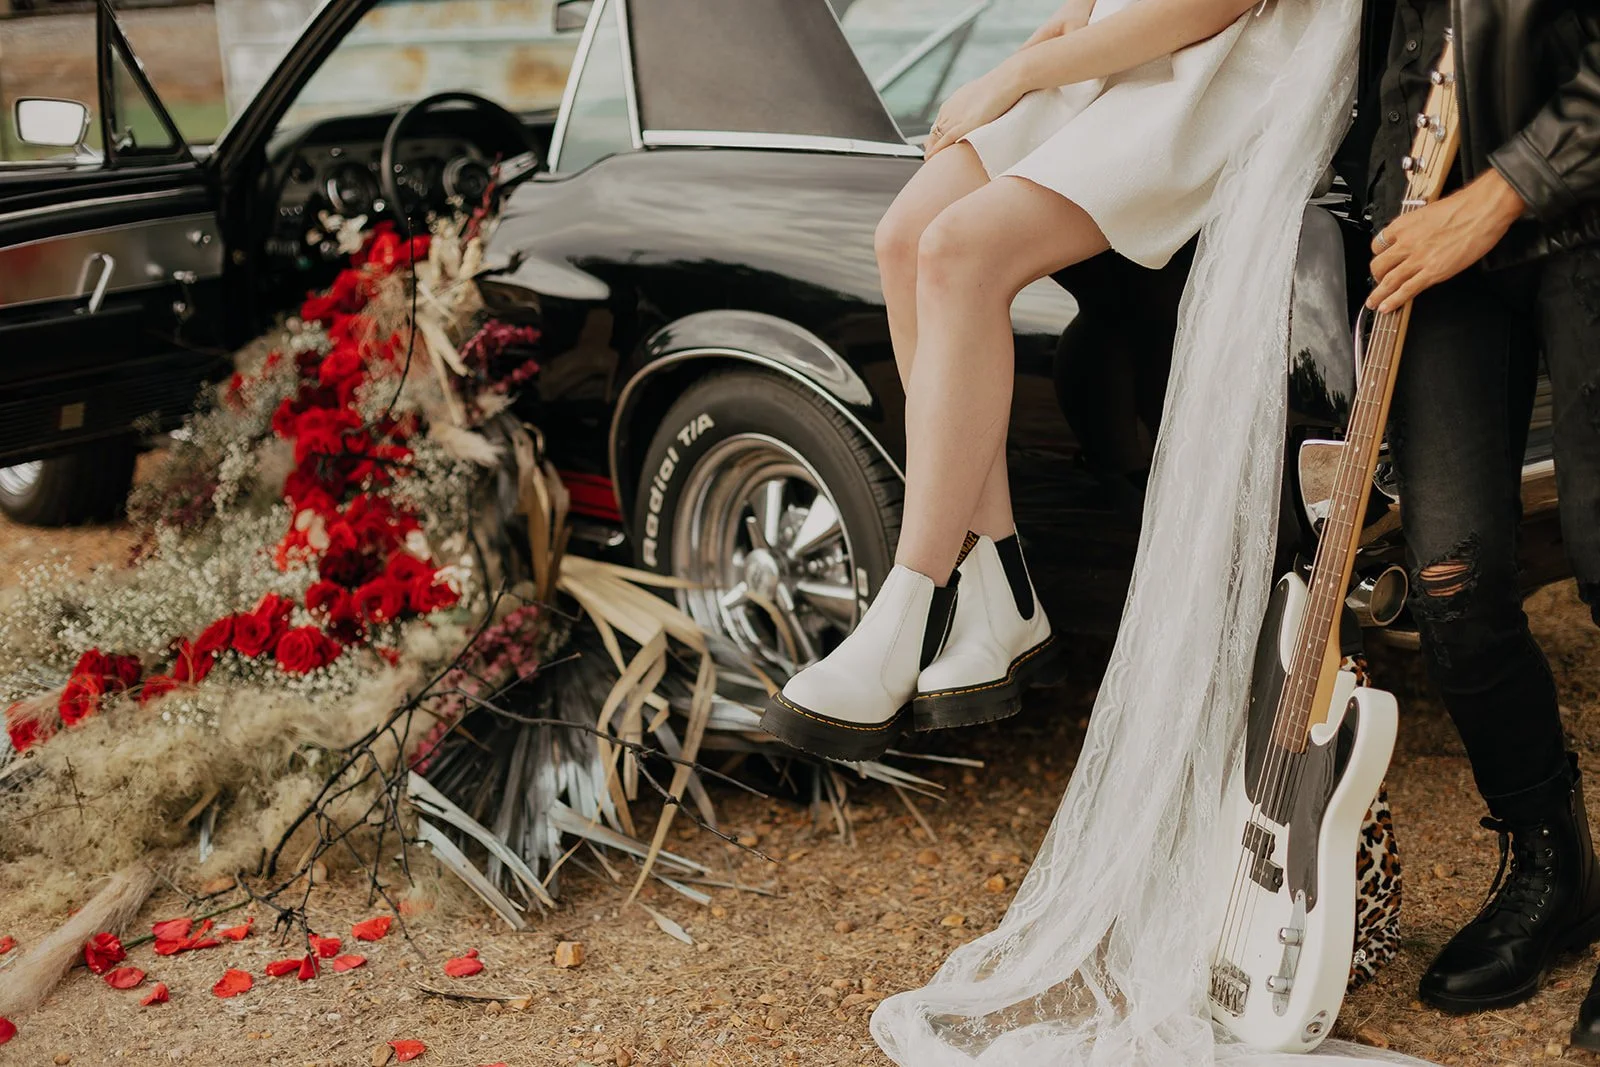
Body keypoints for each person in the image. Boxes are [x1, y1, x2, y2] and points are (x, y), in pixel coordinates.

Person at [759, 0, 1333, 763]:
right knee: (903, 238)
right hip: (1112, 49)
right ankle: (995, 575)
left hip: (1216, 65)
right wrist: (1061, 30)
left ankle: (913, 597)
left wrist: (1020, 73)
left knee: (960, 249)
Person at [1335, 0, 1600, 1041]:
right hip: (1430, 209)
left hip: (1579, 202)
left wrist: (1505, 189)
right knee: (1450, 579)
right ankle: (1552, 867)